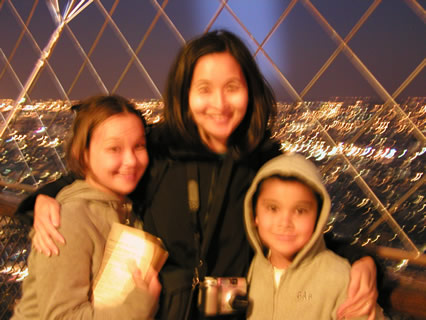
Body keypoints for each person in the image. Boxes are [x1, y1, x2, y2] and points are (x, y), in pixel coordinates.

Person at [15, 30, 379, 320]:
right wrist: (43, 199)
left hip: (228, 311)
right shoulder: (155, 150)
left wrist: (359, 259)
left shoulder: (264, 164)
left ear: (250, 92)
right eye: (203, 89)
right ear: (184, 94)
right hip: (157, 310)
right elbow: (95, 177)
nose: (219, 104)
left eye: (232, 88)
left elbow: (295, 224)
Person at [12, 95, 161, 319]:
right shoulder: (66, 222)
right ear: (83, 155)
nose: (131, 160)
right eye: (114, 149)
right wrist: (136, 309)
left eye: (139, 146)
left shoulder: (126, 209)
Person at [244, 153, 384, 319]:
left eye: (300, 211)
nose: (285, 222)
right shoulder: (250, 269)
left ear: (318, 217)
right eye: (273, 208)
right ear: (255, 215)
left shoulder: (340, 277)